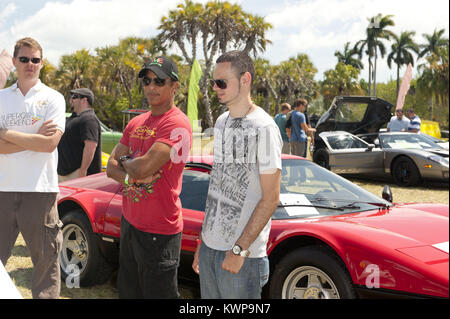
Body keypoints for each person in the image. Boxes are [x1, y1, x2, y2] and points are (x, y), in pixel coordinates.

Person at [192, 50, 282, 299]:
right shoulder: (221, 122)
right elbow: (217, 186)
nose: (215, 88)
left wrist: (239, 250)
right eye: (213, 82)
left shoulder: (264, 128)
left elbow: (271, 197)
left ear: (245, 79)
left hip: (243, 256)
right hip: (211, 248)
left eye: (222, 82)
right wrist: (203, 240)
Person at [106, 56, 192, 299]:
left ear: (174, 86)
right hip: (130, 224)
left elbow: (144, 168)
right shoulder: (135, 122)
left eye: (159, 81)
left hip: (160, 231)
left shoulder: (177, 124)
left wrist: (127, 161)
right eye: (147, 81)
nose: (151, 87)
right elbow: (111, 169)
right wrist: (129, 174)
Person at [0, 37, 65, 299]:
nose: (30, 64)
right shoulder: (1, 98)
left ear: (42, 63)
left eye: (35, 60)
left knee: (45, 266)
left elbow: (49, 143)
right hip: (2, 190)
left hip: (40, 191)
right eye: (24, 59)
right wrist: (32, 138)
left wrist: (5, 132)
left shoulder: (53, 98)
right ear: (14, 61)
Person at [58, 88, 101, 182]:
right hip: (64, 173)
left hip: (77, 174)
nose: (71, 100)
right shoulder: (74, 118)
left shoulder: (89, 119)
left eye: (74, 97)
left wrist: (83, 170)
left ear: (84, 100)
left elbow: (91, 145)